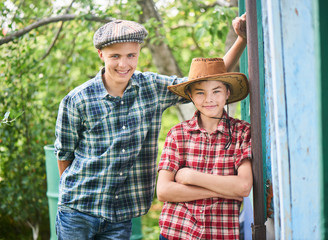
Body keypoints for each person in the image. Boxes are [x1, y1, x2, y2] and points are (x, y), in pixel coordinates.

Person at [54, 14, 247, 240]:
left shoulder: (151, 88)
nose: (123, 64)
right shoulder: (77, 99)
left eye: (131, 55)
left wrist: (241, 39)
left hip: (121, 215)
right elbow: (64, 155)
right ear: (101, 54)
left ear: (138, 53)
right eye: (115, 56)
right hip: (77, 212)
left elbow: (203, 80)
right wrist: (76, 195)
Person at [156, 57, 252, 240]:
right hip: (177, 230)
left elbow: (243, 186)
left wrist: (191, 177)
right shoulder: (178, 134)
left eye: (216, 91)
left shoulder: (242, 132)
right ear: (191, 96)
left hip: (220, 233)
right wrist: (221, 190)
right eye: (200, 93)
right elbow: (164, 191)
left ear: (228, 93)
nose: (209, 99)